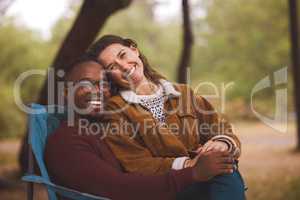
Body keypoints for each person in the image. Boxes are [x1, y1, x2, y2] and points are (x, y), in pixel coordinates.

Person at [44, 55, 238, 200]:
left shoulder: (104, 129)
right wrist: (193, 172)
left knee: (222, 172)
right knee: (222, 176)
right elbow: (117, 188)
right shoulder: (66, 140)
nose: (99, 91)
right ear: (66, 93)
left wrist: (213, 149)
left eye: (104, 83)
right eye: (87, 83)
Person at [87, 35, 246, 199]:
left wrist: (221, 143)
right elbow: (137, 163)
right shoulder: (115, 110)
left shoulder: (183, 93)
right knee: (225, 172)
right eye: (113, 66)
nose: (124, 67)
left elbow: (220, 128)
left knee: (224, 167)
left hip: (208, 180)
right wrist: (190, 165)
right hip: (167, 189)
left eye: (123, 55)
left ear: (134, 49)